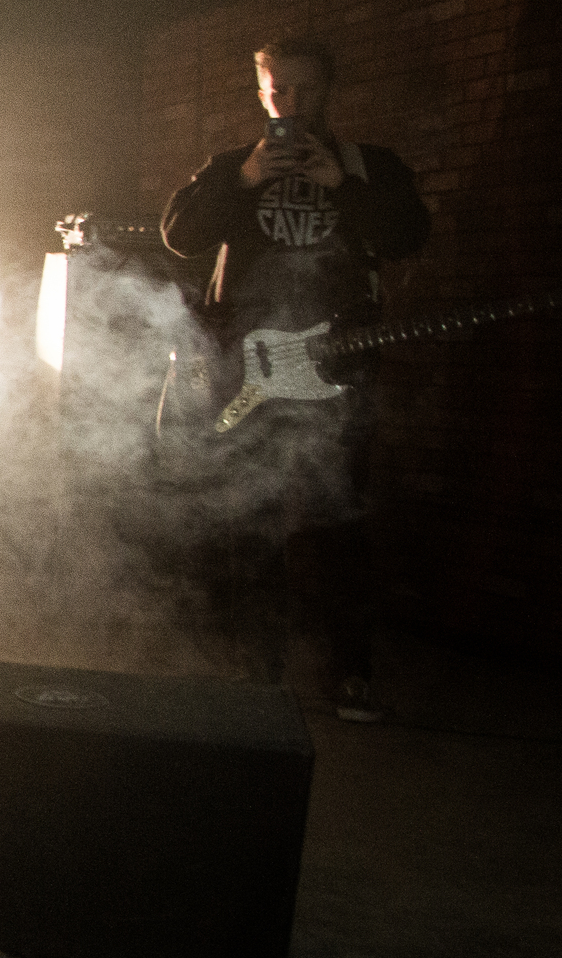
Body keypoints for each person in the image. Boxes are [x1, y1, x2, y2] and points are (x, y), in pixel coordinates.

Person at [161, 36, 428, 721]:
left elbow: (407, 235)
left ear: (329, 92)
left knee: (340, 520)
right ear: (262, 94)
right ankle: (260, 668)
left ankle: (352, 671)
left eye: (307, 90)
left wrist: (342, 184)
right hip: (248, 375)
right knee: (249, 523)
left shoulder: (370, 167)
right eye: (280, 91)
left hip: (337, 376)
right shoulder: (231, 167)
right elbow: (180, 235)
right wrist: (243, 180)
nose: (294, 105)